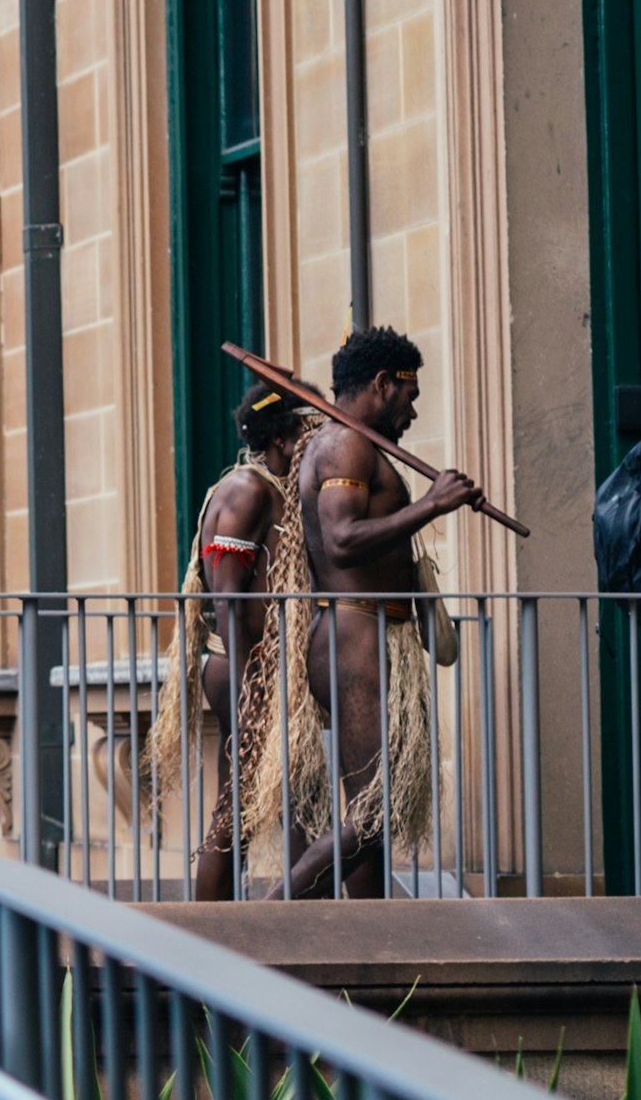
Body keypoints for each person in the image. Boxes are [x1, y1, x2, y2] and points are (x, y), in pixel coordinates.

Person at [285, 324, 477, 900]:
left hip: (361, 629)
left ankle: (372, 938)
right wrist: (432, 504)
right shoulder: (347, 444)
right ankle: (261, 923)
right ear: (383, 383)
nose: (412, 415)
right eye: (410, 398)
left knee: (370, 812)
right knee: (375, 809)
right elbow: (342, 539)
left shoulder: (341, 442)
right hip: (356, 632)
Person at [157, 386, 314, 898]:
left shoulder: (267, 487)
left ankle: (270, 927)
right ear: (282, 439)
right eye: (309, 431)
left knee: (267, 803)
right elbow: (227, 598)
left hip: (257, 670)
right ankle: (230, 933)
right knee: (246, 806)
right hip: (244, 670)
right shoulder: (247, 489)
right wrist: (252, 693)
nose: (318, 442)